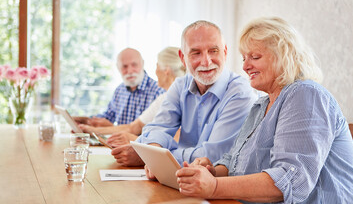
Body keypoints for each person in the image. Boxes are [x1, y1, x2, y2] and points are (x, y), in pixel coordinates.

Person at [175, 17, 353, 203]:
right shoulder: (261, 105)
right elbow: (234, 161)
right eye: (244, 58)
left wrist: (214, 186)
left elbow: (290, 181)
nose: (245, 66)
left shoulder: (306, 95)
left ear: (283, 55)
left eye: (255, 57)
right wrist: (213, 171)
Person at [111, 20, 258, 166]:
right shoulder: (181, 85)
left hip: (216, 184)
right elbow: (157, 128)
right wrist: (153, 153)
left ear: (225, 53)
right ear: (182, 58)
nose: (206, 62)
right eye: (196, 53)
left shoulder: (241, 93)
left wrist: (152, 156)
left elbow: (212, 156)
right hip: (181, 178)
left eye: (213, 51)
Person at [78, 47, 186, 146]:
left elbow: (173, 140)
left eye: (156, 66)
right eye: (124, 66)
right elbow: (134, 127)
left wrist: (134, 139)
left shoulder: (171, 96)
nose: (129, 71)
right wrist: (90, 128)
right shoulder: (164, 97)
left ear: (166, 70)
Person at [74, 48, 165, 127]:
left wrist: (112, 127)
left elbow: (154, 131)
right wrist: (87, 121)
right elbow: (109, 116)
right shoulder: (120, 90)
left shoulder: (158, 91)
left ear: (142, 64)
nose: (129, 71)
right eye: (124, 66)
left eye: (134, 65)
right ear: (118, 68)